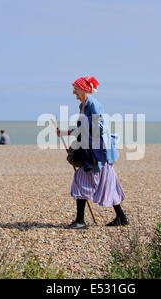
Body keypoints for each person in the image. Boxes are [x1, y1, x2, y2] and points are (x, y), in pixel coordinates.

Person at [56, 76, 129, 229]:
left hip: (97, 152)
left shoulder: (94, 104)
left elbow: (100, 126)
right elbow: (84, 128)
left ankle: (80, 221)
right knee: (108, 182)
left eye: (75, 88)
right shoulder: (82, 105)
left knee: (81, 180)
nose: (73, 92)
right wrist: (65, 132)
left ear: (84, 89)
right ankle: (121, 217)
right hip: (91, 150)